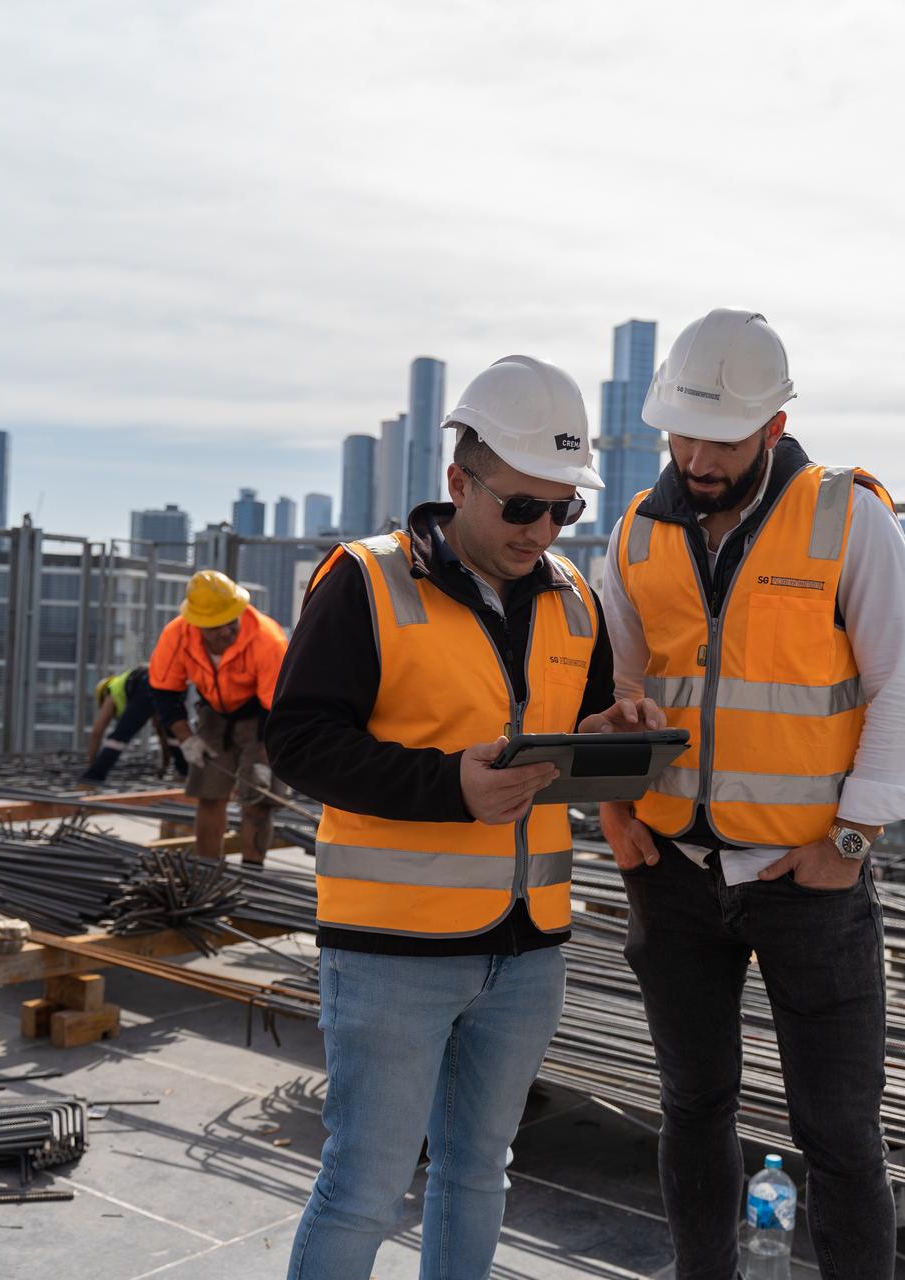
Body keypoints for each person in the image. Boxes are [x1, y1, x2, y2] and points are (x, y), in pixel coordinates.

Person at [268, 354, 660, 1280]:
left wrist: (613, 728)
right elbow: (297, 742)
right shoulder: (366, 581)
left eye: (563, 509)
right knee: (364, 1184)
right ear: (458, 482)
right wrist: (450, 787)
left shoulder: (573, 600)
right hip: (391, 950)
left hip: (527, 948)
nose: (542, 528)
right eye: (521, 506)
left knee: (480, 1172)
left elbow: (568, 729)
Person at [596, 309, 905, 1280]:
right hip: (671, 870)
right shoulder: (636, 530)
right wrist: (616, 808)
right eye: (683, 434)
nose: (698, 457)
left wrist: (853, 839)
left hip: (809, 881)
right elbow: (612, 691)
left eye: (724, 439)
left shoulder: (845, 515)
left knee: (837, 1133)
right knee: (693, 1105)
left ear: (774, 430)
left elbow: (903, 684)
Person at [148, 570, 287, 866]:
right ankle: (208, 872)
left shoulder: (267, 639)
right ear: (196, 624)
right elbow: (164, 690)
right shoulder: (177, 635)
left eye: (231, 621)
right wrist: (187, 739)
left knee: (258, 799)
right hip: (214, 713)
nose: (226, 631)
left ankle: (252, 874)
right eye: (216, 627)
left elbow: (276, 705)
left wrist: (263, 758)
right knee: (209, 793)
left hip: (263, 717)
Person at [81, 665, 185, 785]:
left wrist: (91, 764)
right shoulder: (132, 685)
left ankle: (93, 777)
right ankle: (184, 772)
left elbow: (97, 732)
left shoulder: (112, 691)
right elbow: (163, 732)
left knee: (119, 737)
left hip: (152, 680)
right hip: (171, 681)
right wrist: (165, 766)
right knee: (172, 731)